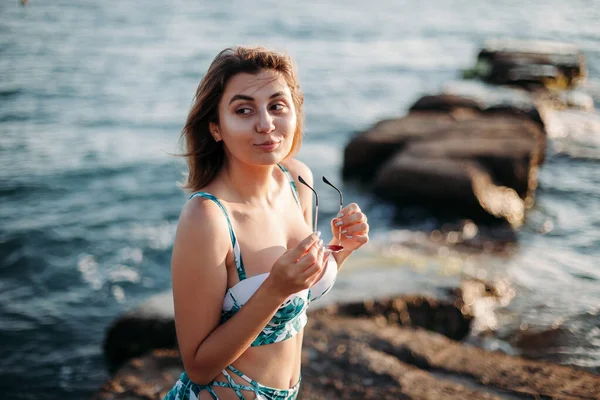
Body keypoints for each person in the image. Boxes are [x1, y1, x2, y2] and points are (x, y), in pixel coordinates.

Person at [164, 46, 369, 400]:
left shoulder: (296, 180)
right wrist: (274, 289)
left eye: (277, 106)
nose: (266, 124)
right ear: (216, 127)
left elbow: (297, 296)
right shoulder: (208, 218)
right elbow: (198, 366)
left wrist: (340, 251)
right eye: (244, 110)